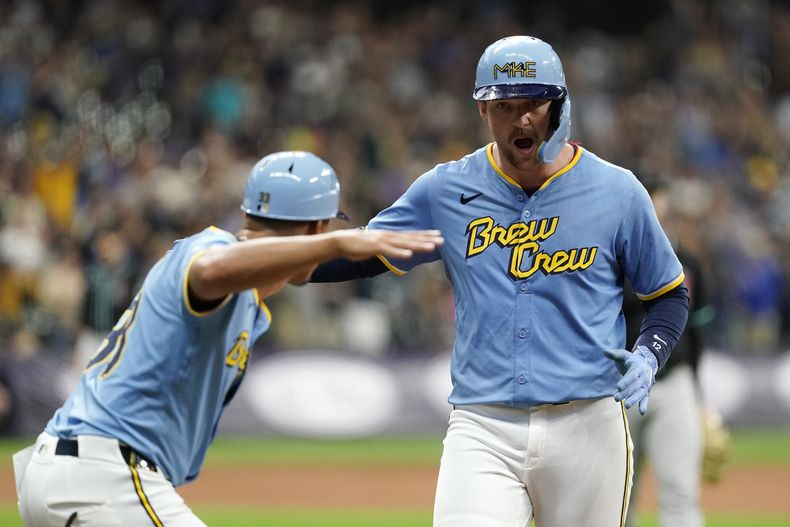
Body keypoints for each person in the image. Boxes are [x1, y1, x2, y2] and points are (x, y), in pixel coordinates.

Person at [311, 36, 689, 526]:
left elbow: (668, 295)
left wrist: (649, 354)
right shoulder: (447, 190)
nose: (521, 118)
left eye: (533, 103)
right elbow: (364, 255)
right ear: (483, 112)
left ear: (559, 106)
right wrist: (269, 260)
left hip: (589, 420)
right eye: (503, 105)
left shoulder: (617, 191)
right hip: (484, 423)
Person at [12, 150, 443, 527]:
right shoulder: (207, 249)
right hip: (104, 474)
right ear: (317, 227)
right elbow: (213, 270)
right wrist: (333, 246)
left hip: (74, 471)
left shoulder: (246, 293)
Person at [623, 176, 712, 527]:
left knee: (681, 494)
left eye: (657, 198)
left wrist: (698, 396)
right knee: (615, 500)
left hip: (675, 384)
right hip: (619, 391)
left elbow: (698, 331)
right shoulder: (608, 259)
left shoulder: (687, 261)